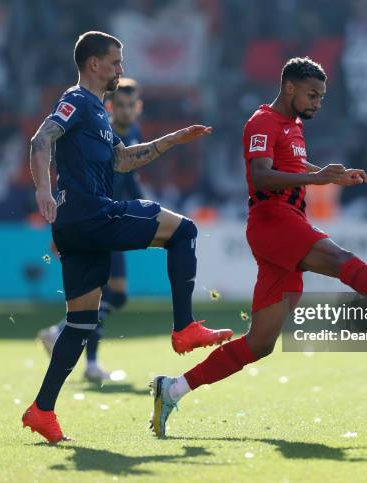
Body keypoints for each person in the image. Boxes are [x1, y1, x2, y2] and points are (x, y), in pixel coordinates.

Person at [149, 57, 367, 437]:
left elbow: (291, 167)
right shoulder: (262, 122)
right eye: (313, 94)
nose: (318, 101)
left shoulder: (294, 125)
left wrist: (330, 175)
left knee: (261, 342)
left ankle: (172, 388)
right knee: (340, 260)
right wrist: (317, 178)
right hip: (273, 220)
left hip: (289, 220)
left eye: (321, 95)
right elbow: (260, 174)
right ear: (289, 87)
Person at [22, 31, 233, 443]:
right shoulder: (77, 100)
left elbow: (122, 160)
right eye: (116, 62)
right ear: (94, 64)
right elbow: (41, 138)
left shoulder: (98, 114)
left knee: (81, 324)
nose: (121, 69)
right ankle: (185, 328)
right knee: (184, 230)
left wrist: (172, 139)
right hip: (90, 213)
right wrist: (42, 190)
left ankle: (42, 410)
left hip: (80, 230)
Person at [36, 78, 147, 382]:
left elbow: (129, 181)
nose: (125, 110)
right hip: (99, 220)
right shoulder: (100, 135)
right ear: (111, 107)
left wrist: (145, 206)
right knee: (99, 293)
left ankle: (61, 333)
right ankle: (91, 362)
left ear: (138, 108)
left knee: (117, 295)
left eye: (130, 105)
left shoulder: (132, 135)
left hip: (116, 220)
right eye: (120, 105)